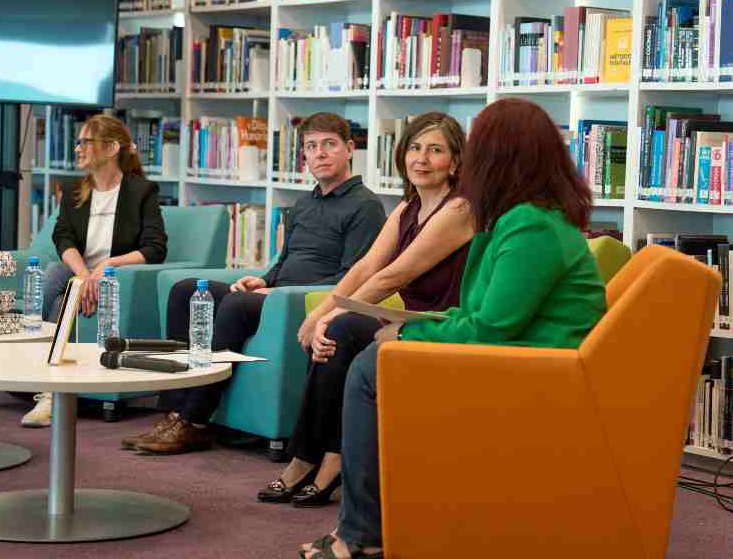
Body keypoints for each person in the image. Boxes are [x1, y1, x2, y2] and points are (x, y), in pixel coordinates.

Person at [299, 98, 608, 558]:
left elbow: (490, 327)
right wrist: (416, 329)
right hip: (523, 359)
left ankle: (361, 536)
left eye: (477, 150)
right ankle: (362, 519)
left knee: (371, 366)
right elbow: (483, 315)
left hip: (538, 373)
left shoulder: (530, 226)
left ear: (500, 157)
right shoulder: (514, 219)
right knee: (372, 358)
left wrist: (407, 334)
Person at [124, 112, 387, 454]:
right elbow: (285, 261)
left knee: (236, 304)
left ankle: (195, 421)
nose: (319, 153)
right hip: (274, 294)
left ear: (349, 149)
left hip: (307, 306)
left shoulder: (366, 206)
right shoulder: (304, 203)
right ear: (303, 155)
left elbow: (351, 276)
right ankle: (175, 411)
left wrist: (275, 292)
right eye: (311, 146)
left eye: (329, 145)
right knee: (187, 290)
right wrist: (261, 279)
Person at [257, 112, 473, 508]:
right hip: (407, 321)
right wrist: (318, 313)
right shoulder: (409, 206)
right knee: (334, 335)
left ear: (456, 162)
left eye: (436, 150)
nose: (421, 159)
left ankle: (326, 462)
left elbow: (392, 276)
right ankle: (309, 457)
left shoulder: (460, 209)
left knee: (339, 329)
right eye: (414, 148)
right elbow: (366, 266)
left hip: (445, 325)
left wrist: (330, 316)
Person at [22, 114, 168, 427]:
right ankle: (27, 360)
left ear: (112, 147)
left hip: (114, 278)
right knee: (51, 273)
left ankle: (50, 391)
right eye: (78, 142)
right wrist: (84, 277)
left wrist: (106, 266)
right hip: (79, 273)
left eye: (85, 141)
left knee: (63, 302)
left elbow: (155, 248)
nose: (77, 148)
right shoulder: (74, 190)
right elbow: (63, 238)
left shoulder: (141, 191)